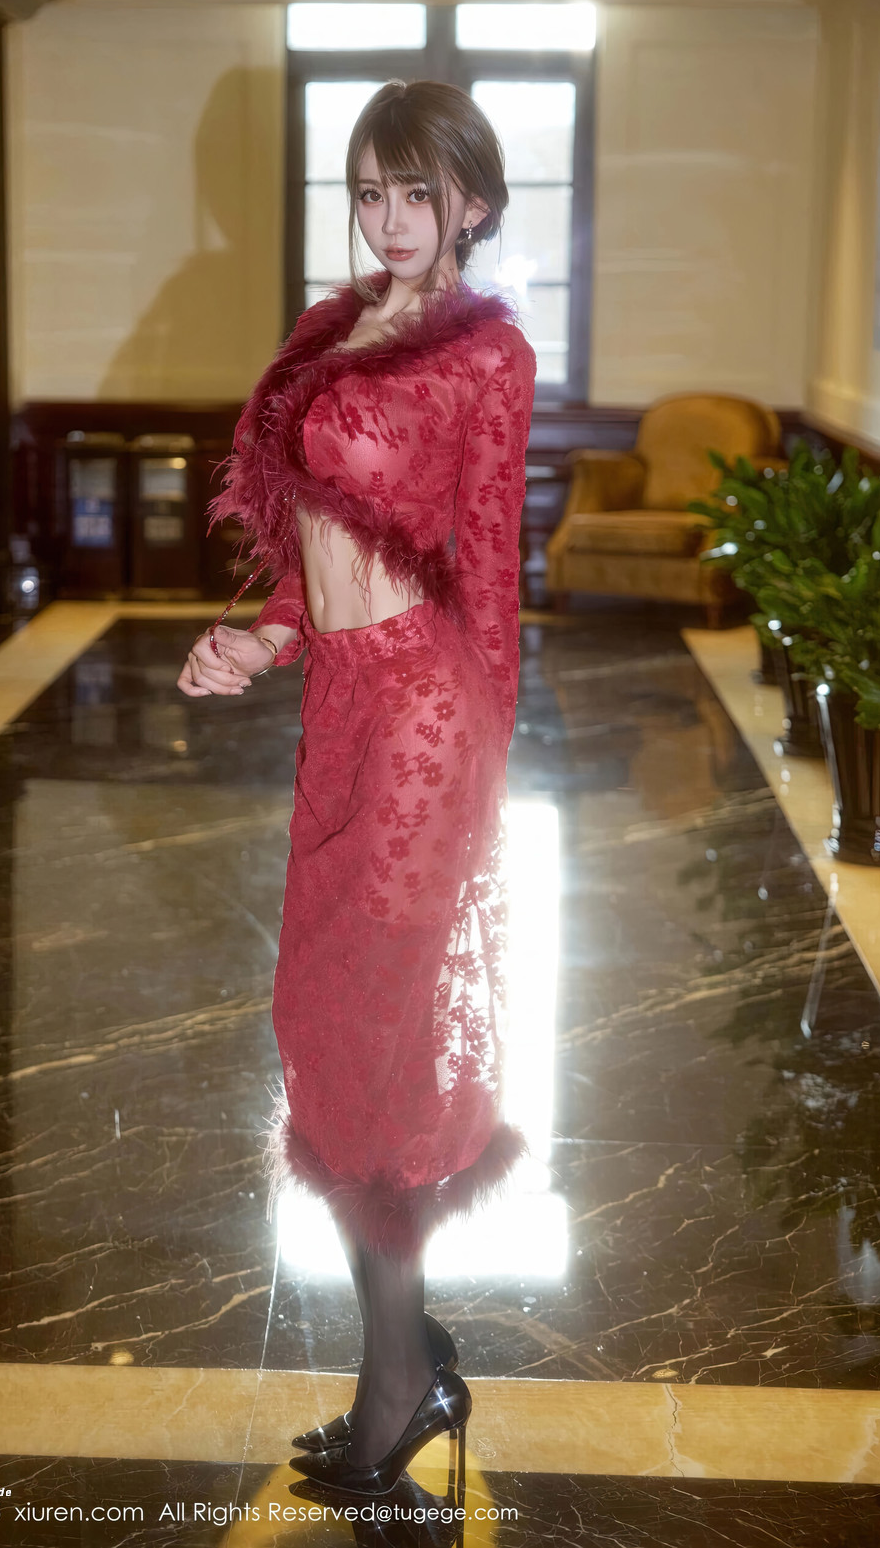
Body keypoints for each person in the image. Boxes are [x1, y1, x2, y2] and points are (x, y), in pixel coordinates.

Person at [177, 79, 536, 1500]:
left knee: (379, 1039)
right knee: (322, 1025)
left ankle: (399, 1387)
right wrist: (258, 640)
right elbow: (308, 540)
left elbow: (489, 564)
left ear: (474, 204)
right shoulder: (331, 333)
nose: (390, 219)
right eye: (371, 192)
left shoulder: (488, 355)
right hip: (339, 701)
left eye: (416, 193)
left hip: (427, 720)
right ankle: (405, 1360)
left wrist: (486, 764)